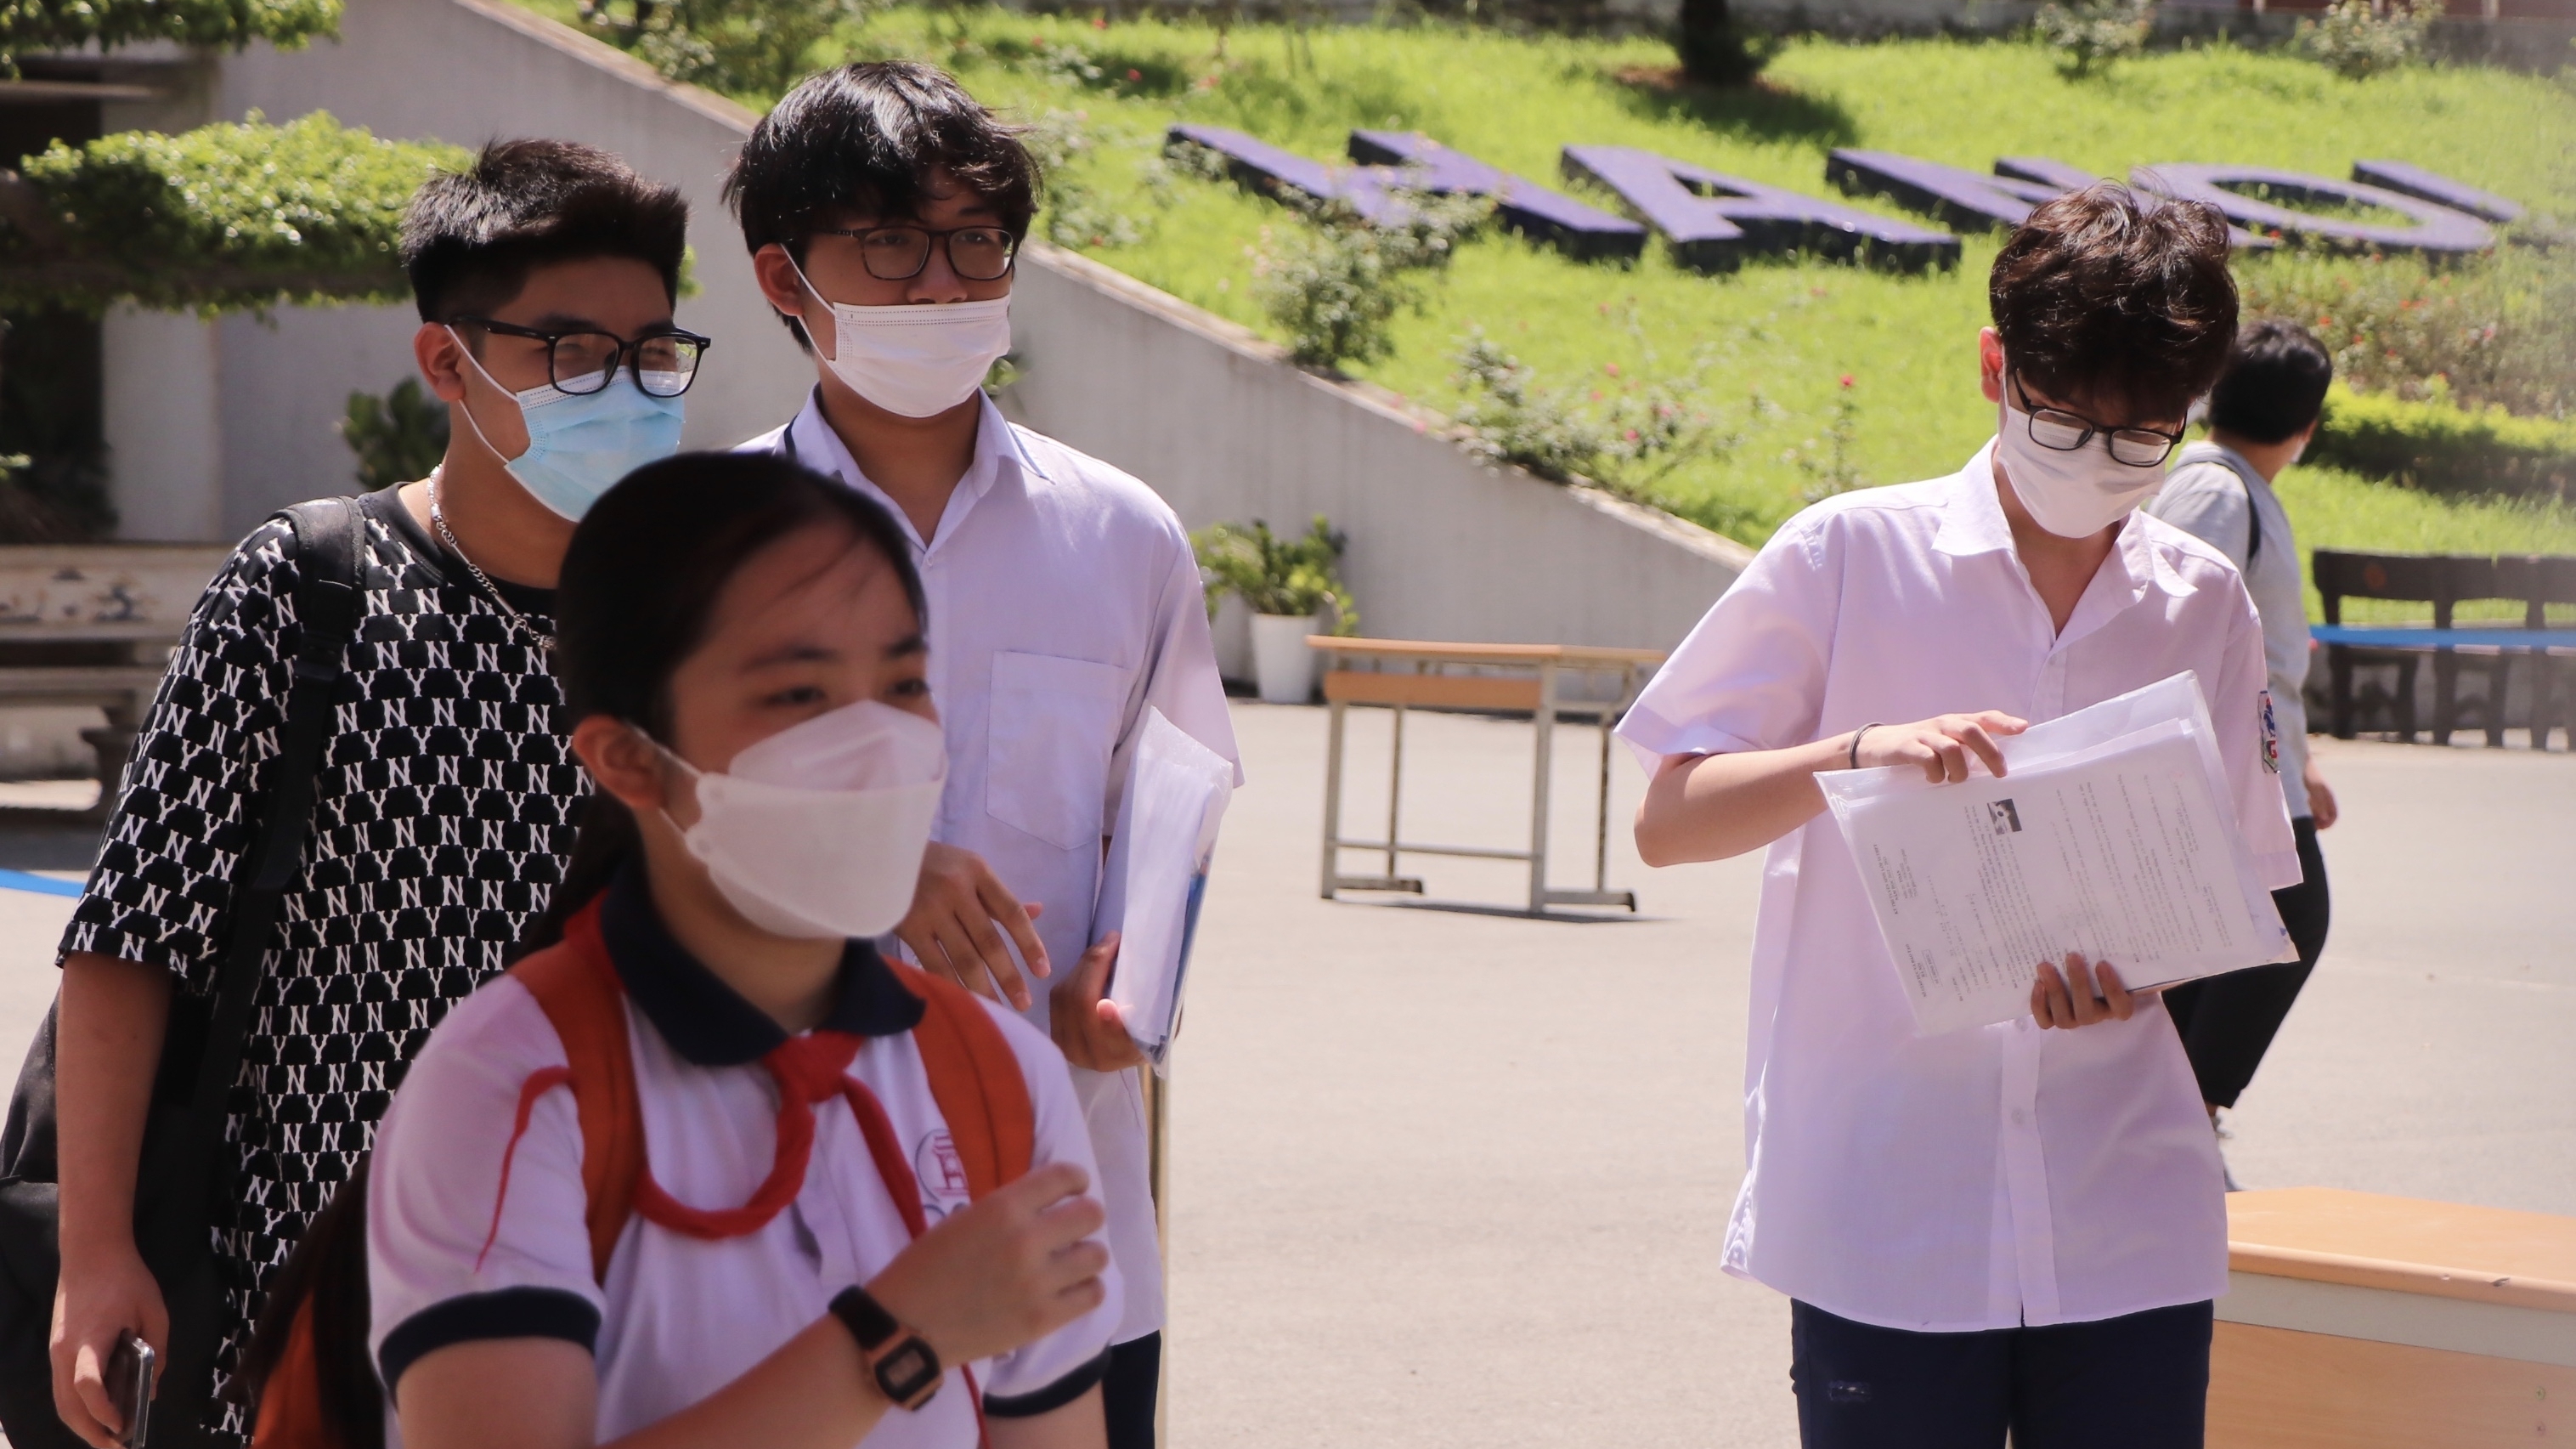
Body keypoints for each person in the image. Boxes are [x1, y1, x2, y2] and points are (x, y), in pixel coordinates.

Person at [1620, 186, 2298, 1449]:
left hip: (2122, 1212)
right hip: (1888, 1208)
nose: (2096, 462)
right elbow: (1668, 819)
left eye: (2141, 438)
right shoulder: (1847, 556)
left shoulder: (2201, 601)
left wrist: (2141, 977)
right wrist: (1856, 753)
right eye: (2062, 421)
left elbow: (2237, 881)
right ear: (1996, 366)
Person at [48, 139, 699, 1447]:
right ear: (447, 363)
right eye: (573, 353)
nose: (623, 390)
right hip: (307, 1291)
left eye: (651, 355)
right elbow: (133, 938)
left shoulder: (696, 618)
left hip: (622, 1280)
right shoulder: (308, 587)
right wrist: (95, 1250)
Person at [366, 450, 1121, 1449]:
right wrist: (900, 1336)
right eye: (798, 694)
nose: (877, 742)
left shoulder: (1002, 1075)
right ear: (628, 758)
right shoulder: (509, 1084)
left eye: (903, 681)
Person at [724, 62, 1236, 1446]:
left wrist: (1127, 983)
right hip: (773, 1222)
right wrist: (865, 873)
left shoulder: (1120, 535)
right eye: (892, 243)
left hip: (1058, 1209)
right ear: (783, 276)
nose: (945, 283)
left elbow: (1172, 813)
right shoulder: (704, 538)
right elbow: (633, 825)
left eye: (976, 242)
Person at [2144, 321, 2337, 1174]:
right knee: (2288, 919)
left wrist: (2302, 760)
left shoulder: (2232, 487)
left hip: (2260, 765)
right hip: (2225, 773)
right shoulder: (2215, 490)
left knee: (2226, 944)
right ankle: (2180, 1117)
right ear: (2306, 425)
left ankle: (2171, 1122)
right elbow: (2173, 632)